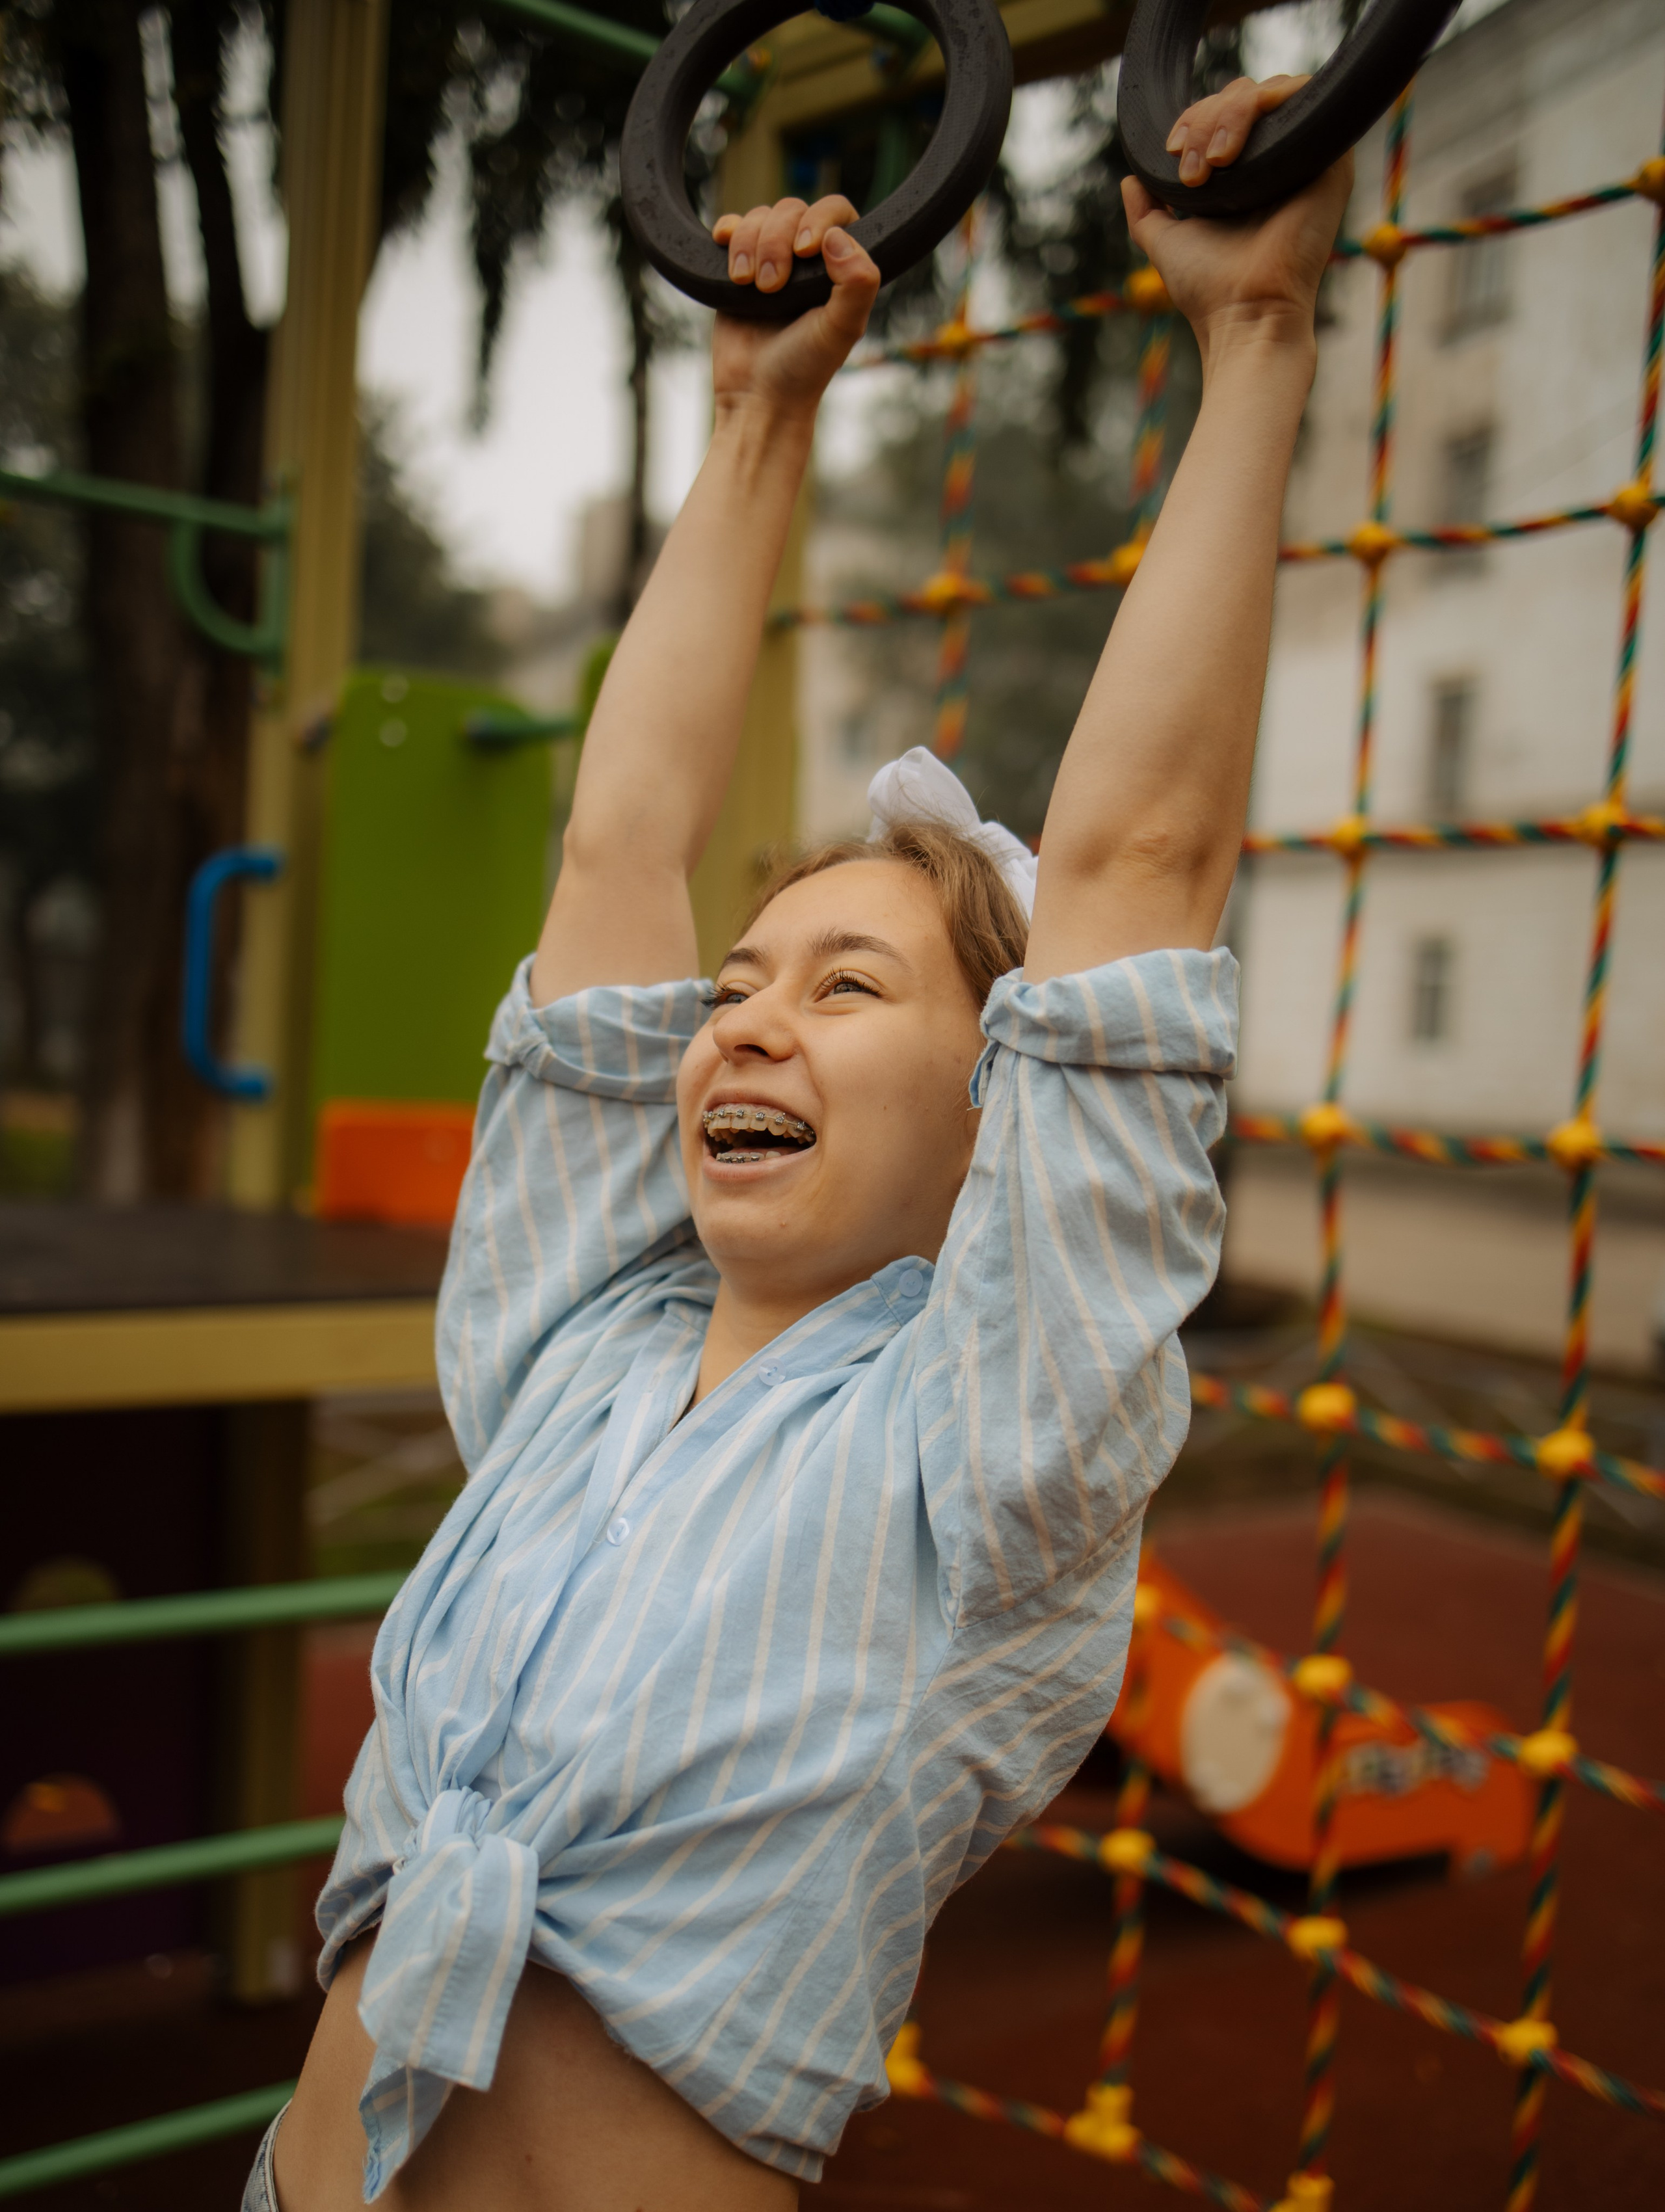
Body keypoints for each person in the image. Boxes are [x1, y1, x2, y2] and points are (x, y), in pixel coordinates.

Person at [259, 70, 1348, 2212]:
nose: (746, 1013)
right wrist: (757, 412)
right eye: (742, 987)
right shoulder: (570, 1354)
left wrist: (1256, 334)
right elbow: (619, 849)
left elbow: (1134, 862)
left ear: (998, 1112)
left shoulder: (983, 1450)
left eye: (848, 989)